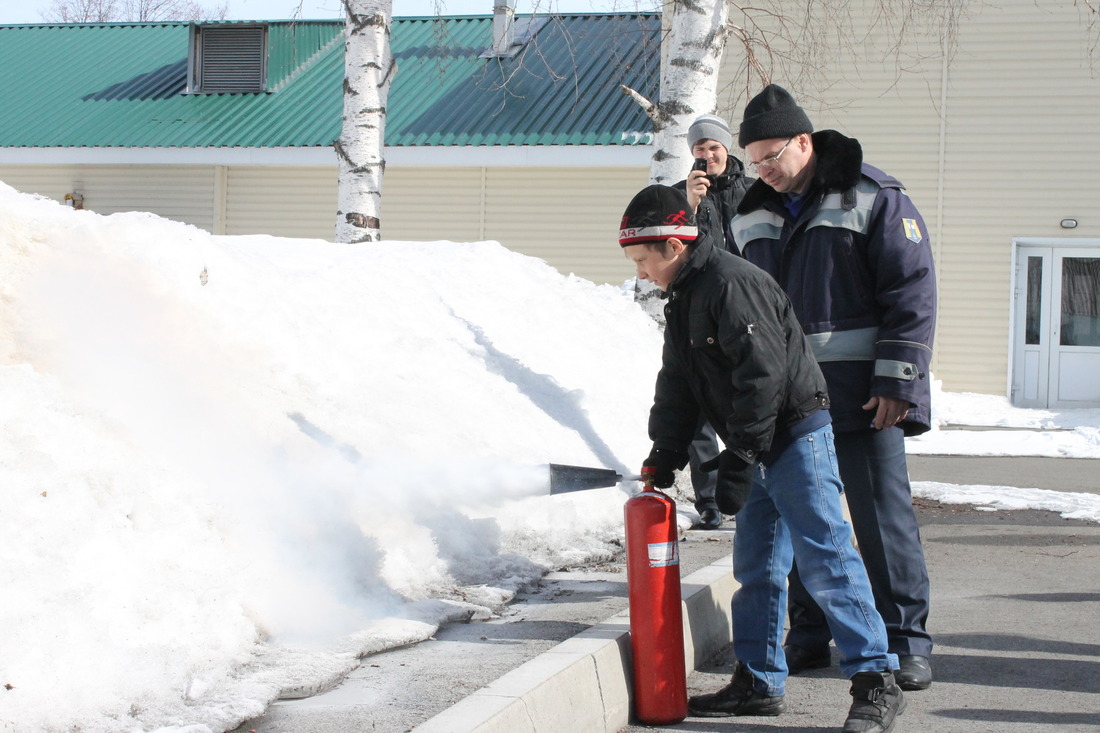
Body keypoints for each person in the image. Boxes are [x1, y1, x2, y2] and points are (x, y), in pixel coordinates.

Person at [620, 184, 906, 733]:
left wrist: (743, 455)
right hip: (756, 442)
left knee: (826, 559)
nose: (640, 272)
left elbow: (763, 377)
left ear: (673, 246)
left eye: (641, 260)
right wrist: (665, 451)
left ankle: (877, 680)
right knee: (758, 569)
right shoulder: (685, 294)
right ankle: (758, 681)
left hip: (795, 437)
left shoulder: (731, 284)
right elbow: (678, 382)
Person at [730, 83, 938, 692]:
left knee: (879, 521)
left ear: (804, 141)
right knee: (802, 521)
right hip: (787, 403)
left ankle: (905, 642)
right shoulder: (748, 212)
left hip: (863, 395)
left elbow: (912, 293)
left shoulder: (874, 197)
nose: (764, 171)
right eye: (755, 161)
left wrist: (900, 381)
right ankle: (809, 635)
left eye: (773, 157)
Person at [669, 114, 754, 529]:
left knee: (747, 398)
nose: (707, 155)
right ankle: (710, 500)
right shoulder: (678, 196)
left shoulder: (755, 193)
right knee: (699, 403)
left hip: (745, 311)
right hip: (696, 314)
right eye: (699, 149)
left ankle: (750, 489)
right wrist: (689, 204)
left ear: (727, 149)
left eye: (714, 148)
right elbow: (666, 248)